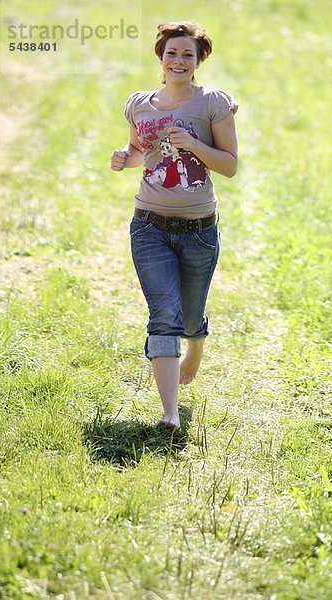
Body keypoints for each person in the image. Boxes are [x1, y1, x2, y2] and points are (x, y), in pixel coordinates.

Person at [111, 21, 238, 430]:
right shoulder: (139, 104)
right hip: (149, 223)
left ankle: (195, 345)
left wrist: (194, 144)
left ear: (199, 60)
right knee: (163, 313)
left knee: (189, 315)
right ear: (160, 57)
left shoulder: (212, 103)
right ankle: (169, 414)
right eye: (171, 53)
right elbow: (140, 150)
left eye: (187, 54)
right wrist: (124, 157)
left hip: (199, 228)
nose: (178, 61)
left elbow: (230, 166)